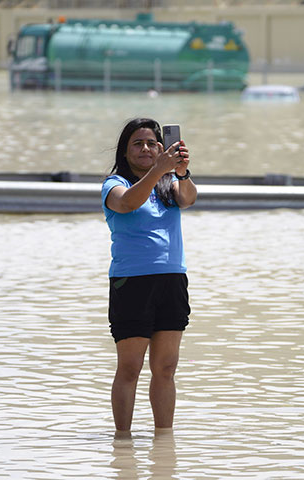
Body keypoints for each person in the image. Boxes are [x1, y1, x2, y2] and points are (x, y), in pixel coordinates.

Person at [101, 117, 197, 434]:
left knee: (166, 367)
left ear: (161, 147)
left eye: (152, 143)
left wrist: (181, 172)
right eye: (137, 143)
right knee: (130, 367)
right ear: (125, 151)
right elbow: (127, 204)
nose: (145, 148)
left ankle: (164, 443)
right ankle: (123, 441)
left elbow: (189, 198)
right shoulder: (115, 184)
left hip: (172, 280)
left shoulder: (170, 183)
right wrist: (159, 169)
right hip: (132, 283)